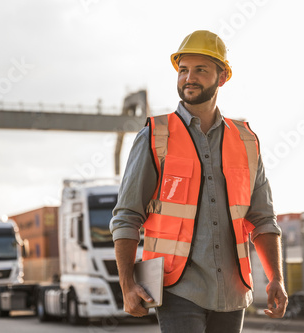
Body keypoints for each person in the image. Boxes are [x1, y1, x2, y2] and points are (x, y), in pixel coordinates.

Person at [109, 30, 288, 333]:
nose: (189, 77)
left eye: (200, 70)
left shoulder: (246, 141)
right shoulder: (155, 136)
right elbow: (127, 216)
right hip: (176, 288)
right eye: (183, 70)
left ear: (222, 78)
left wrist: (276, 278)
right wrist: (127, 285)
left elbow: (262, 219)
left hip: (233, 292)